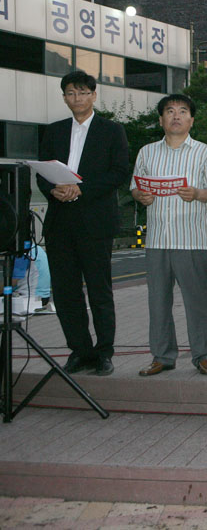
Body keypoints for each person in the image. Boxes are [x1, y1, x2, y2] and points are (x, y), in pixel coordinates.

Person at [37, 70, 130, 376]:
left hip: (95, 222)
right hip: (60, 222)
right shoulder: (52, 131)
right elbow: (41, 173)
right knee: (65, 292)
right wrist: (53, 190)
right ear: (64, 98)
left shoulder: (112, 130)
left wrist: (81, 189)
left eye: (82, 93)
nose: (76, 99)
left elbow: (118, 173)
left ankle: (104, 352)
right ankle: (80, 350)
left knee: (100, 291)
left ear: (93, 94)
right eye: (69, 94)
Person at [131, 94, 207, 377]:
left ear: (191, 119)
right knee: (157, 301)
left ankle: (204, 355)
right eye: (170, 111)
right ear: (161, 120)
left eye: (183, 111)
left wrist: (196, 194)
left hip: (191, 239)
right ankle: (162, 355)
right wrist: (141, 196)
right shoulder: (146, 152)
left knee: (198, 301)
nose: (176, 116)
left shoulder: (206, 152)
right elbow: (135, 186)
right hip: (157, 239)